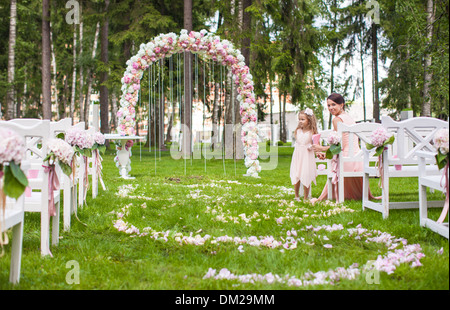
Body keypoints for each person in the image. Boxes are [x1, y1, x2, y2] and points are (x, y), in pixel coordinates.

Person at [310, 93, 379, 203]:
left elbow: (339, 145)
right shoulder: (349, 118)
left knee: (336, 161)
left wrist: (321, 148)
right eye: (328, 105)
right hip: (358, 158)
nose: (331, 108)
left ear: (341, 105)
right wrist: (328, 153)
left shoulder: (337, 119)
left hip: (346, 159)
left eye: (334, 105)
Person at [290, 108, 319, 201]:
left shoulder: (312, 132)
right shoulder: (298, 131)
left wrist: (313, 147)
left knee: (306, 174)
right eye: (299, 119)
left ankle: (306, 197)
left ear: (309, 120)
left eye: (303, 119)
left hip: (307, 155)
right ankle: (296, 196)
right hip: (298, 155)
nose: (300, 121)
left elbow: (316, 144)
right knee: (297, 173)